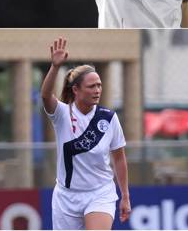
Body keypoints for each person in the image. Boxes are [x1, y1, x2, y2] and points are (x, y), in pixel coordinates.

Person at [41, 37, 130, 230]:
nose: (97, 90)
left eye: (99, 85)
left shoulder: (108, 118)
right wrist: (55, 67)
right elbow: (46, 96)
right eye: (91, 86)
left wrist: (125, 196)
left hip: (100, 193)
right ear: (76, 90)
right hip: (66, 197)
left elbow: (119, 159)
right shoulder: (62, 114)